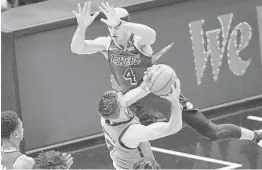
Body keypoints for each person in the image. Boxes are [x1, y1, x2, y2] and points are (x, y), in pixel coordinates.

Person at [71, 1, 262, 147]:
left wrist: (121, 24)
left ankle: (256, 136)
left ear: (126, 26)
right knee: (135, 147)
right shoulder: (107, 44)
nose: (112, 31)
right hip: (136, 103)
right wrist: (82, 27)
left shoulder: (138, 42)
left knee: (213, 133)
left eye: (116, 28)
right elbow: (78, 48)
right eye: (110, 27)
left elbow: (151, 34)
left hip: (164, 95)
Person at [98, 77, 183, 169]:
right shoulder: (131, 134)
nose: (121, 94)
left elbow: (142, 89)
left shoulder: (107, 117)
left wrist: (150, 77)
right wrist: (174, 102)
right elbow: (173, 127)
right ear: (122, 109)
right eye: (120, 97)